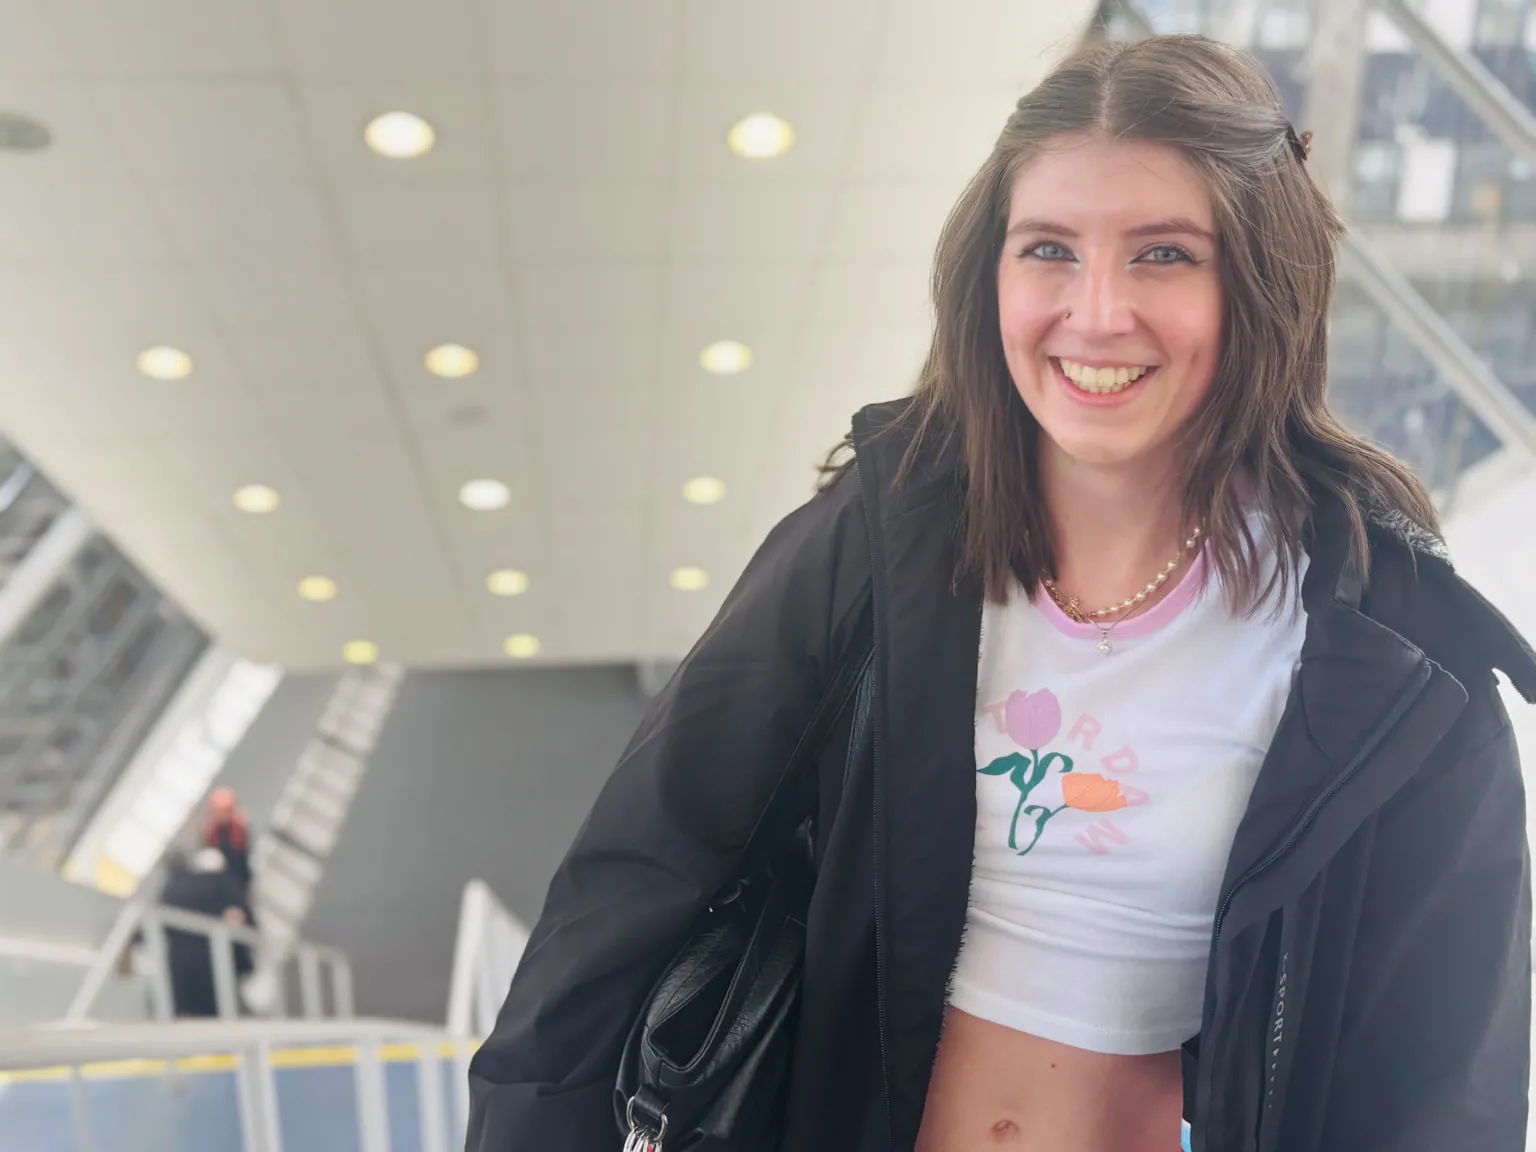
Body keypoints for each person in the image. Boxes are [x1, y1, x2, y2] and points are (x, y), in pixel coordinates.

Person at [466, 34, 1535, 1152]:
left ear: (1259, 284)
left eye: (1165, 255)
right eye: (1050, 251)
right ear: (992, 275)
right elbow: (636, 876)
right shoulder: (879, 541)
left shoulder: (1393, 644)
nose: (1097, 313)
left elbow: (1442, 1085)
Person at [157, 846, 257, 1018]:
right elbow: (245, 919)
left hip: (180, 967)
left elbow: (159, 922)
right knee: (218, 1014)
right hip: (215, 965)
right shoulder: (224, 884)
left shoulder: (175, 887)